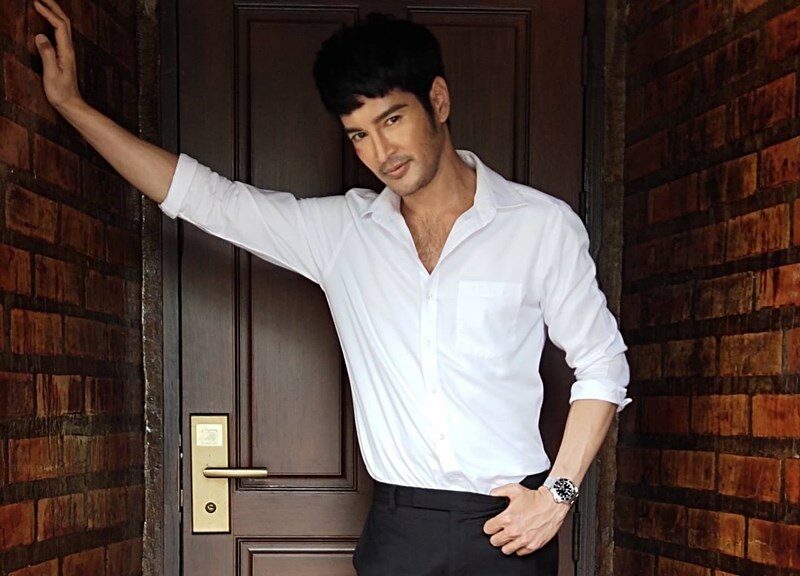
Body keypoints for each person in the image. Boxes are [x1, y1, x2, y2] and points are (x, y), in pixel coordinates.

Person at [33, 2, 631, 574]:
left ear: (438, 101)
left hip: (512, 523)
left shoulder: (540, 226)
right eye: (359, 135)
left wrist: (557, 495)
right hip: (400, 528)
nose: (382, 152)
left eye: (392, 119)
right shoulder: (342, 233)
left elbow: (602, 364)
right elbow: (206, 198)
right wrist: (72, 106)